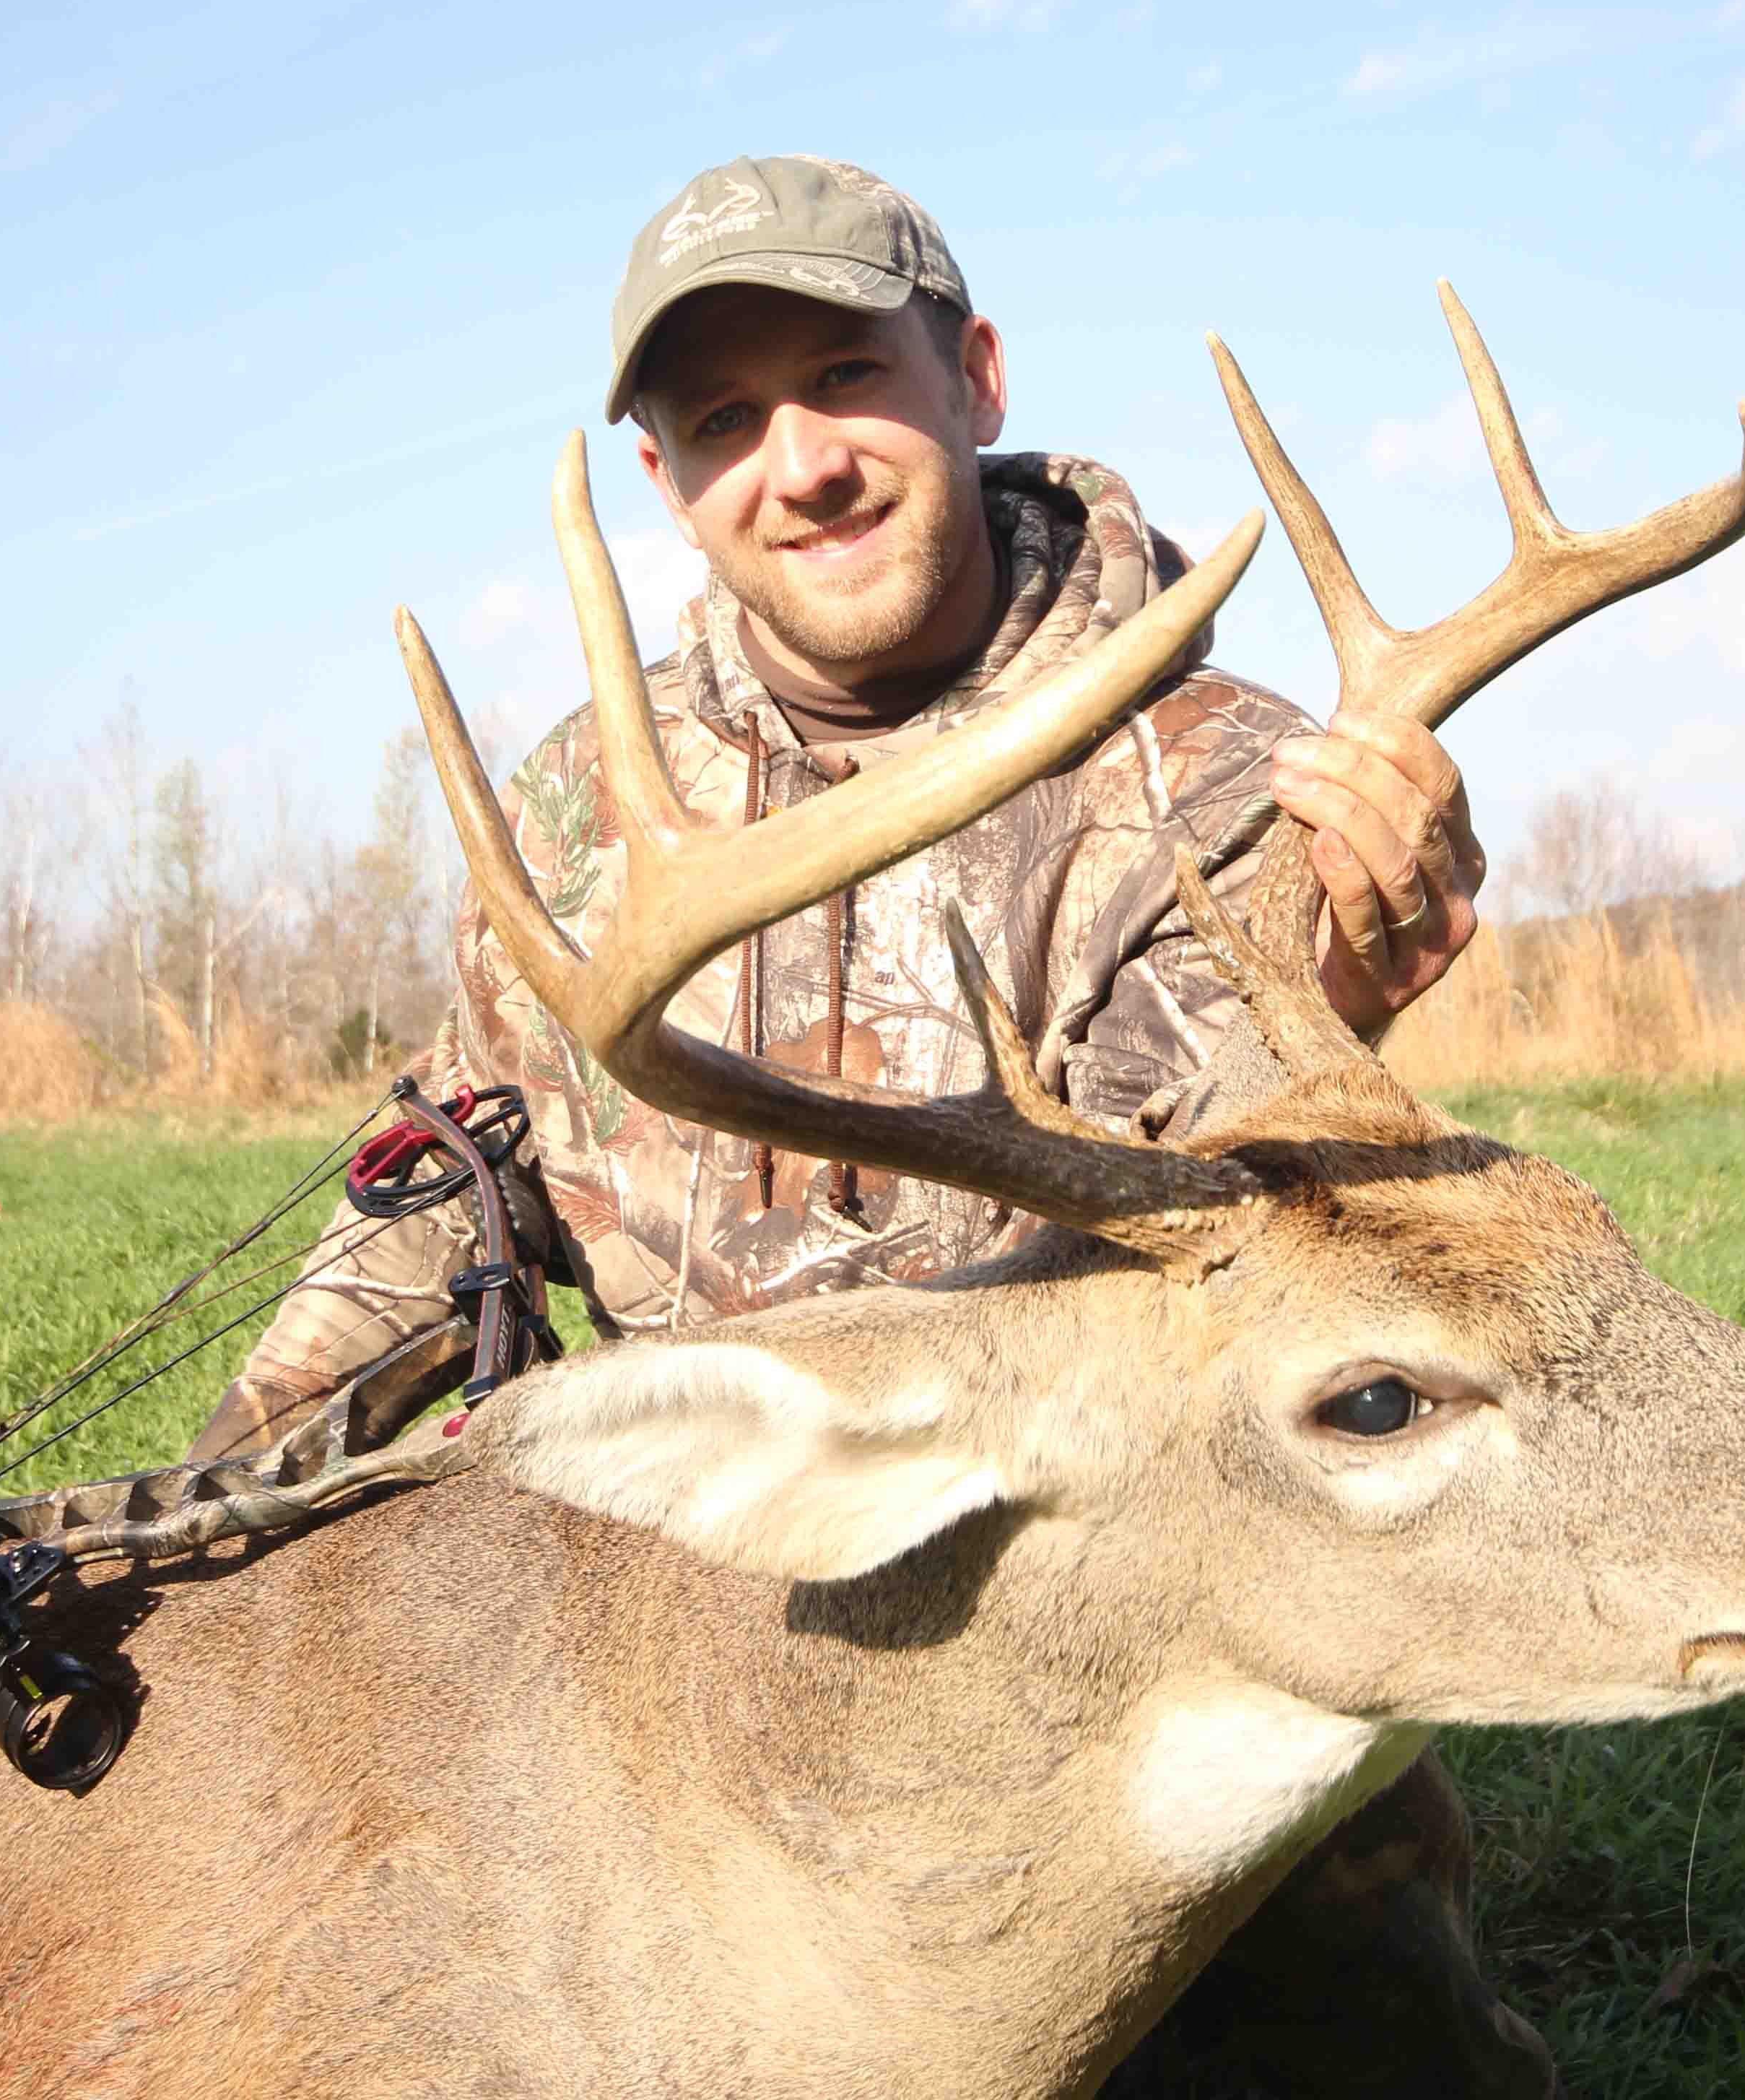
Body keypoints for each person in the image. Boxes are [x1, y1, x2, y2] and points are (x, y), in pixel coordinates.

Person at [199, 155, 1552, 2096]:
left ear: (976, 378)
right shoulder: (601, 802)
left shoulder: (1242, 774)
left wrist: (1329, 1018)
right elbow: (459, 1182)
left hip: (1096, 1643)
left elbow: (1214, 1256)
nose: (801, 461)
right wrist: (211, 1502)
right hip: (685, 1665)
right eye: (724, 422)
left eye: (847, 378)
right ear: (668, 487)